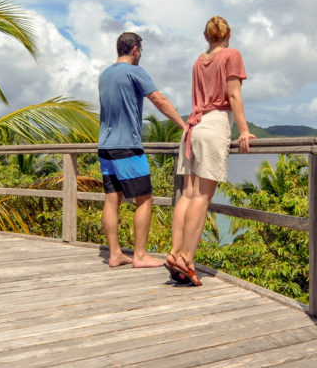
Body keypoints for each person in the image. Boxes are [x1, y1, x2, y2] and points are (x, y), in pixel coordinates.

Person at [167, 16, 255, 285]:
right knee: (201, 198)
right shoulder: (231, 54)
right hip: (214, 124)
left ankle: (175, 252)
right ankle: (186, 258)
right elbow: (233, 95)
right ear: (229, 34)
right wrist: (243, 130)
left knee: (188, 195)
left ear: (206, 37)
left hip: (192, 128)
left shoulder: (198, 60)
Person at [98, 31, 186, 268]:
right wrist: (184, 126)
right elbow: (160, 101)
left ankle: (114, 254)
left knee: (111, 199)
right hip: (127, 146)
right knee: (145, 198)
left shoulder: (105, 74)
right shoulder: (135, 72)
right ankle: (140, 255)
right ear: (135, 50)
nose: (141, 56)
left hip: (105, 147)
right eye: (141, 51)